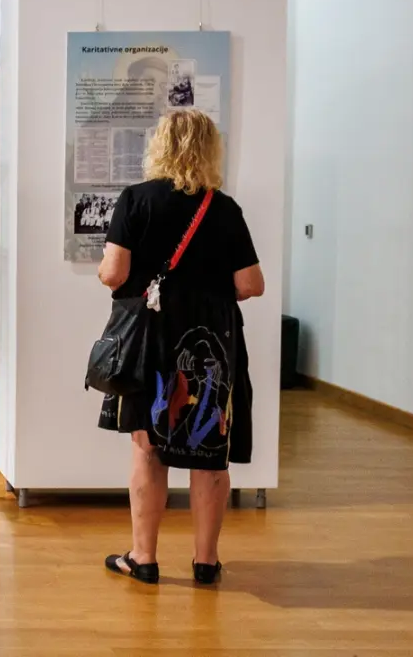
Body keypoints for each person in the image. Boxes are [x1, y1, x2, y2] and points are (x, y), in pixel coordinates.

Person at [95, 108, 263, 586]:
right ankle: (206, 562)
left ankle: (143, 558)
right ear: (211, 150)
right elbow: (250, 284)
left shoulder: (136, 200)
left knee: (148, 448)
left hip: (152, 339)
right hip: (211, 344)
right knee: (210, 450)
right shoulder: (224, 209)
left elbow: (113, 273)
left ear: (160, 145)